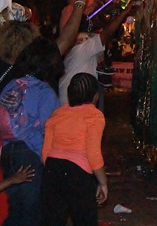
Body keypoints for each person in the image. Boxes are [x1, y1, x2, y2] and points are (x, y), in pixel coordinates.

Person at [0, 38, 64, 226]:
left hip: (7, 152)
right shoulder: (44, 92)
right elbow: (48, 132)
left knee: (14, 210)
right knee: (31, 212)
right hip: (30, 155)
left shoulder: (13, 84)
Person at [41, 74, 107, 226]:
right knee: (84, 219)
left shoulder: (57, 114)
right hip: (78, 174)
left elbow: (45, 152)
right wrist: (103, 182)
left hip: (52, 170)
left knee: (52, 220)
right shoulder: (94, 116)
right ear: (96, 96)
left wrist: (54, 173)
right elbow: (93, 153)